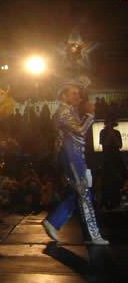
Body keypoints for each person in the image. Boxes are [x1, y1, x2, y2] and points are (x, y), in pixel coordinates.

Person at [42, 80, 109, 245]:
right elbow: (79, 131)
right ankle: (93, 236)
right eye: (73, 93)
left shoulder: (69, 111)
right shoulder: (64, 112)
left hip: (75, 157)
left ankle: (53, 221)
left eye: (78, 93)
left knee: (77, 193)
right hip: (71, 157)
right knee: (84, 193)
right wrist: (90, 115)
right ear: (64, 96)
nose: (77, 96)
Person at [100, 117, 126, 210]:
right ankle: (106, 201)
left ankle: (116, 202)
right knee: (107, 181)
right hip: (107, 160)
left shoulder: (117, 132)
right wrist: (109, 133)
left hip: (116, 159)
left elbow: (119, 145)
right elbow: (105, 144)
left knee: (116, 181)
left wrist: (112, 134)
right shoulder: (102, 132)